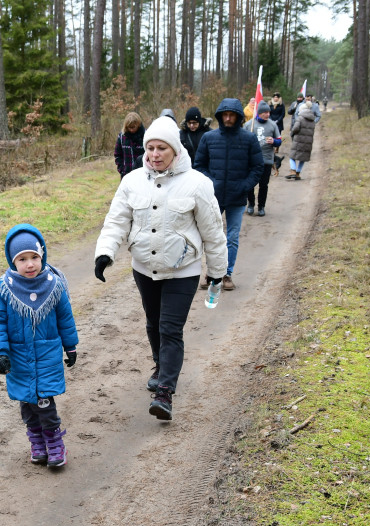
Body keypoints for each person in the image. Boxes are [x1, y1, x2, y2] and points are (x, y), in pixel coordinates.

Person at [94, 117, 226, 421]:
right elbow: (116, 222)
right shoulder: (132, 181)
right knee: (153, 323)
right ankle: (159, 365)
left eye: (162, 148)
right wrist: (104, 253)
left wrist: (217, 271)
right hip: (144, 267)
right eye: (150, 148)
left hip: (183, 270)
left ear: (175, 150)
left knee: (170, 328)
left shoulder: (198, 184)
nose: (155, 154)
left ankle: (165, 391)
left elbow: (214, 233)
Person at [0, 224, 79, 467]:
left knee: (45, 403)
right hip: (18, 356)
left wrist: (70, 346)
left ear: (42, 256)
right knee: (27, 403)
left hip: (47, 353)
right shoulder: (3, 288)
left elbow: (65, 318)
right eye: (23, 259)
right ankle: (37, 441)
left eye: (35, 257)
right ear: (12, 261)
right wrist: (0, 353)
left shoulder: (54, 285)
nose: (30, 264)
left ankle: (55, 442)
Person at [192, 99, 264, 292]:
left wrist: (245, 186)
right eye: (225, 114)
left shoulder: (249, 139)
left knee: (231, 237)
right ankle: (211, 272)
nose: (228, 118)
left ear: (238, 116)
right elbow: (199, 165)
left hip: (237, 198)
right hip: (212, 198)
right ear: (220, 116)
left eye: (232, 115)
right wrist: (211, 184)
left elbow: (257, 167)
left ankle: (226, 274)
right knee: (211, 236)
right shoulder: (209, 138)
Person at [247, 101, 281, 217]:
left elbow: (279, 140)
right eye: (265, 112)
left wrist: (274, 141)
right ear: (260, 113)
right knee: (250, 184)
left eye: (269, 112)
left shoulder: (272, 125)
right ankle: (251, 204)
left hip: (266, 159)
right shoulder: (249, 125)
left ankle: (261, 207)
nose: (268, 114)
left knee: (264, 184)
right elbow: (241, 140)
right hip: (251, 160)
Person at [287, 100, 316, 180]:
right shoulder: (312, 120)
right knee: (303, 158)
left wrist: (292, 133)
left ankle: (293, 170)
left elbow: (295, 128)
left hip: (298, 140)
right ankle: (298, 173)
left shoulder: (300, 118)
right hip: (308, 142)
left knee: (292, 156)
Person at [114, 112, 146, 178]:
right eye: (129, 127)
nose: (131, 130)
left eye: (133, 127)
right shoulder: (122, 136)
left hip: (142, 174)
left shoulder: (146, 135)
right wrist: (121, 169)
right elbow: (117, 154)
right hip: (126, 174)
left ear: (138, 125)